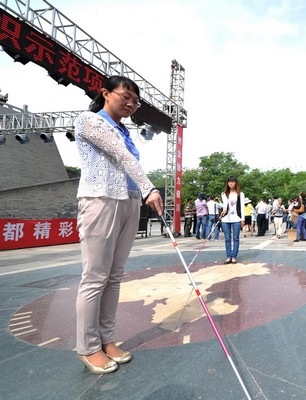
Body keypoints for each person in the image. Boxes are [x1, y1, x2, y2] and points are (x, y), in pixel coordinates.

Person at [74, 76, 163, 374]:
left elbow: (129, 160)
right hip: (101, 200)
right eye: (126, 96)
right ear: (105, 93)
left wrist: (142, 190)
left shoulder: (125, 130)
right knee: (95, 278)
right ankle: (88, 347)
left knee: (114, 276)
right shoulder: (90, 121)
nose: (130, 103)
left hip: (128, 200)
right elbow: (121, 156)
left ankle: (106, 339)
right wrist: (151, 187)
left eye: (135, 101)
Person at [220, 176, 246, 264]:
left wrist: (243, 219)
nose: (231, 183)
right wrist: (223, 211)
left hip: (237, 218)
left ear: (236, 183)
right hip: (226, 218)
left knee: (235, 238)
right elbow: (224, 205)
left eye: (233, 182)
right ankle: (228, 256)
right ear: (227, 183)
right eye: (229, 182)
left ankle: (234, 256)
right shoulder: (224, 194)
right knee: (227, 238)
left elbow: (242, 207)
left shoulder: (240, 194)